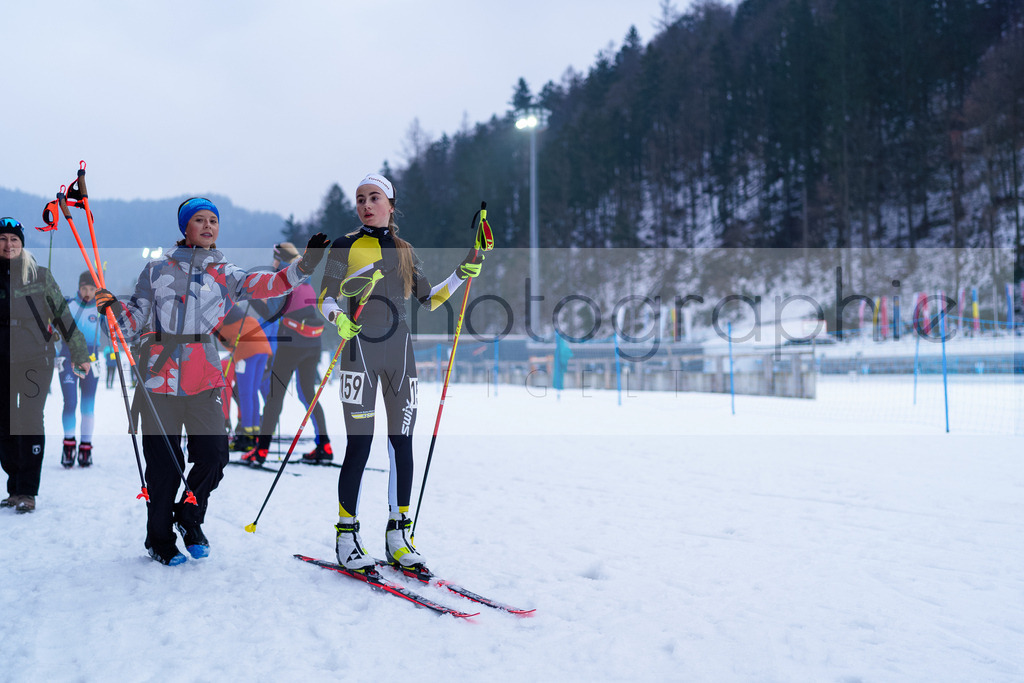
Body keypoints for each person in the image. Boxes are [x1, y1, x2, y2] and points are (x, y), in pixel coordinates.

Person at [95, 198, 329, 565]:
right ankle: (158, 539)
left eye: (213, 221)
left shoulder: (226, 272)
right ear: (184, 228)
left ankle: (190, 517)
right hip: (160, 375)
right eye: (199, 220)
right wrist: (112, 310)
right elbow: (133, 321)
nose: (207, 226)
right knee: (164, 467)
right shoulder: (156, 270)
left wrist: (305, 265)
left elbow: (269, 284)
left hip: (204, 374)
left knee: (215, 456)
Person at [316, 174, 483, 571]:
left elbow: (428, 299)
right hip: (359, 351)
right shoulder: (345, 245)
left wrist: (464, 272)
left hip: (401, 355)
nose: (366, 204)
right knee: (359, 445)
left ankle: (398, 536)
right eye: (360, 199)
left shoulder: (405, 250)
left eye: (374, 198)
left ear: (391, 204)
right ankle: (346, 535)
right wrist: (338, 318)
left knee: (401, 444)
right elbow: (325, 295)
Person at [0, 218, 90, 513]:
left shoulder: (39, 275)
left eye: (14, 239)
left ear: (22, 243)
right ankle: (14, 486)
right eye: (2, 239)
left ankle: (27, 489)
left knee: (27, 418)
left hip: (34, 359)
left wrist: (80, 354)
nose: (8, 244)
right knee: (5, 423)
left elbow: (63, 316)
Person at [242, 241, 333, 466]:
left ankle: (261, 450)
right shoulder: (305, 278)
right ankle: (325, 444)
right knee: (308, 393)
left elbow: (272, 313)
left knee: (274, 397)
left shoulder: (284, 280)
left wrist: (251, 296)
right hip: (313, 342)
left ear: (277, 258)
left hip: (292, 343)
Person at [58, 271, 107, 468]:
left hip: (91, 357)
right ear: (79, 288)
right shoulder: (69, 305)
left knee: (88, 406)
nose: (87, 292)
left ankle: (85, 447)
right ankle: (69, 445)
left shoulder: (100, 307)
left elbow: (114, 329)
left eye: (92, 289)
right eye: (84, 288)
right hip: (69, 356)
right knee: (70, 402)